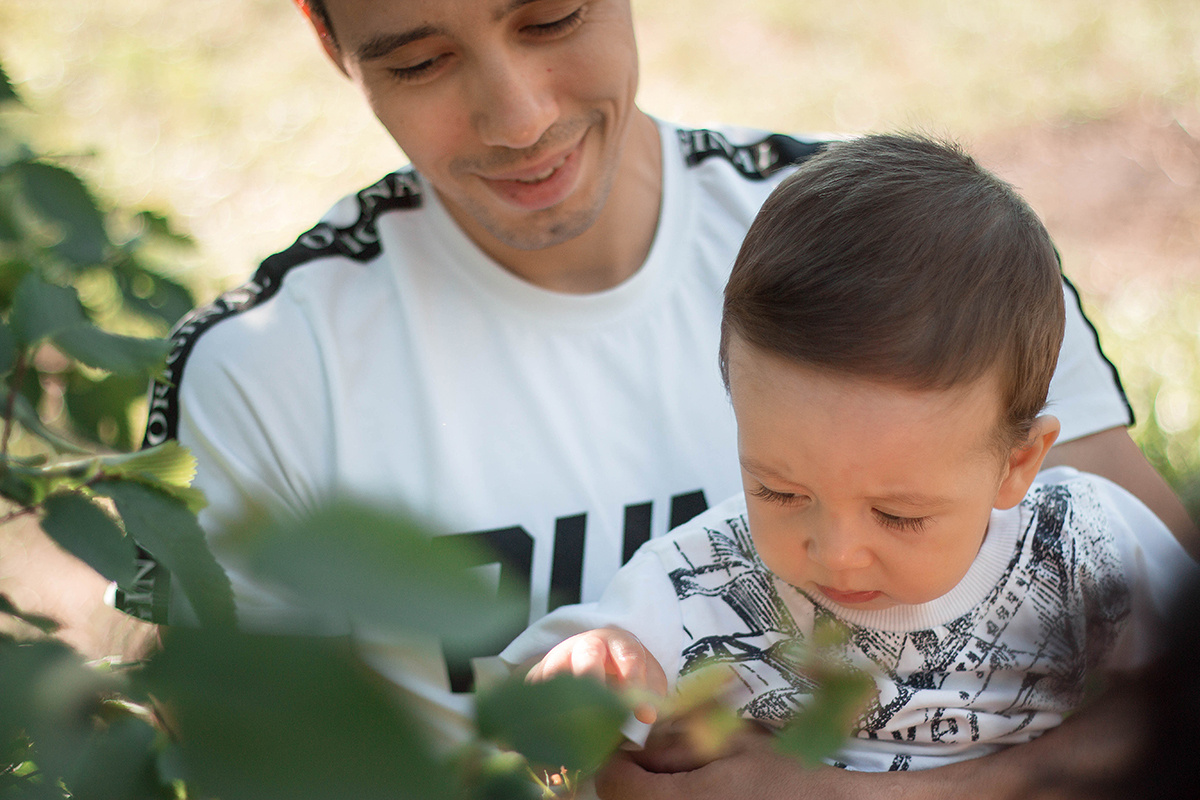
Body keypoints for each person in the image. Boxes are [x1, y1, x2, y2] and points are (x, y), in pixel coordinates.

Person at [116, 0, 1196, 794]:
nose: (518, 116)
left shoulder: (910, 259)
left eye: (551, 17)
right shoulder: (261, 374)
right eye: (421, 60)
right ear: (326, 37)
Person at [500, 133, 1199, 773]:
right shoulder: (702, 578)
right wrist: (587, 671)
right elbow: (536, 706)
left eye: (897, 515)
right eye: (780, 492)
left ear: (1017, 463)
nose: (835, 553)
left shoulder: (1081, 544)